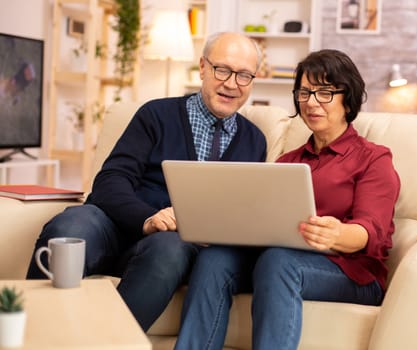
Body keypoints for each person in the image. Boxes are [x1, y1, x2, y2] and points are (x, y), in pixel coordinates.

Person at [26, 31, 266, 332]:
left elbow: (243, 213)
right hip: (114, 224)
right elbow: (110, 181)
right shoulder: (156, 114)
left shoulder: (255, 141)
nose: (231, 83)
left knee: (169, 249)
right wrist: (148, 218)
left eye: (244, 75)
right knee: (69, 229)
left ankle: (105, 343)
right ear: (203, 67)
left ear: (253, 81)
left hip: (170, 246)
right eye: (222, 70)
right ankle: (28, 335)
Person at [173, 49, 401, 350]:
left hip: (351, 271)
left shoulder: (373, 158)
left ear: (349, 97)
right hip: (280, 258)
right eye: (304, 92)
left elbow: (371, 231)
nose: (311, 102)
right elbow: (262, 223)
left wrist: (338, 234)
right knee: (215, 259)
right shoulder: (288, 162)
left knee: (278, 261)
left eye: (324, 93)